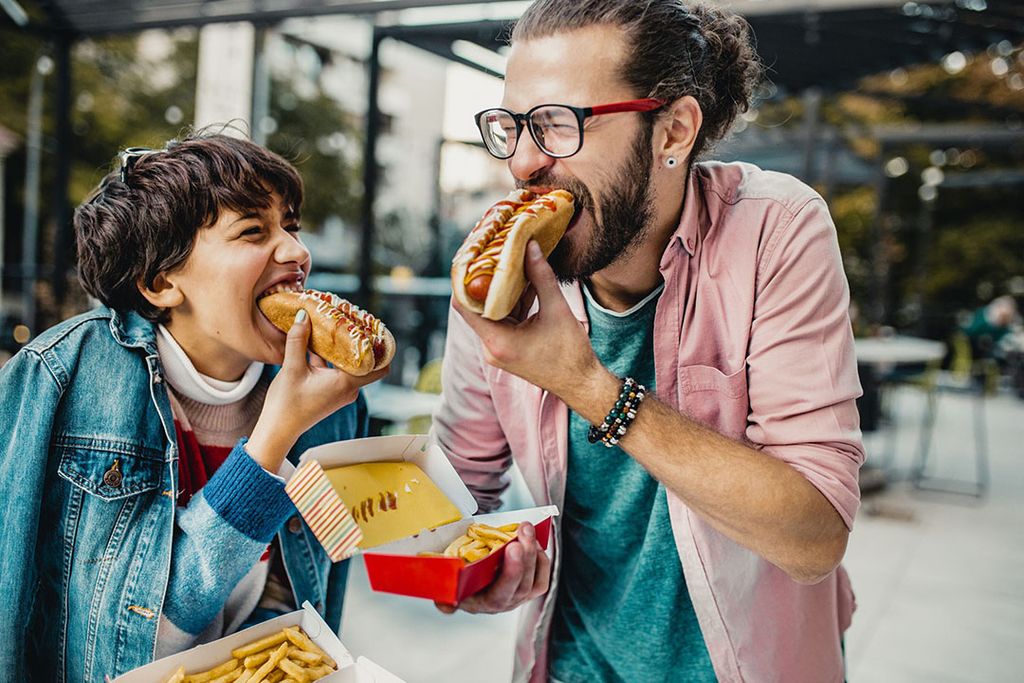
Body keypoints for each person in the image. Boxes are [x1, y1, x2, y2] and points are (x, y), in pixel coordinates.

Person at [432, 2, 864, 682]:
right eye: (512, 127)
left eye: (557, 124)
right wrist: (475, 556)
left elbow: (814, 537)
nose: (522, 162)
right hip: (568, 662)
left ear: (674, 129)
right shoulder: (496, 275)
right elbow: (456, 493)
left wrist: (589, 387)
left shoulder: (777, 231)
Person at [0, 132, 387, 680]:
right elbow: (148, 627)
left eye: (291, 227)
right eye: (254, 231)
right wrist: (273, 438)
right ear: (161, 283)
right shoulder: (61, 379)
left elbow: (307, 589)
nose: (298, 252)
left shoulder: (333, 396)